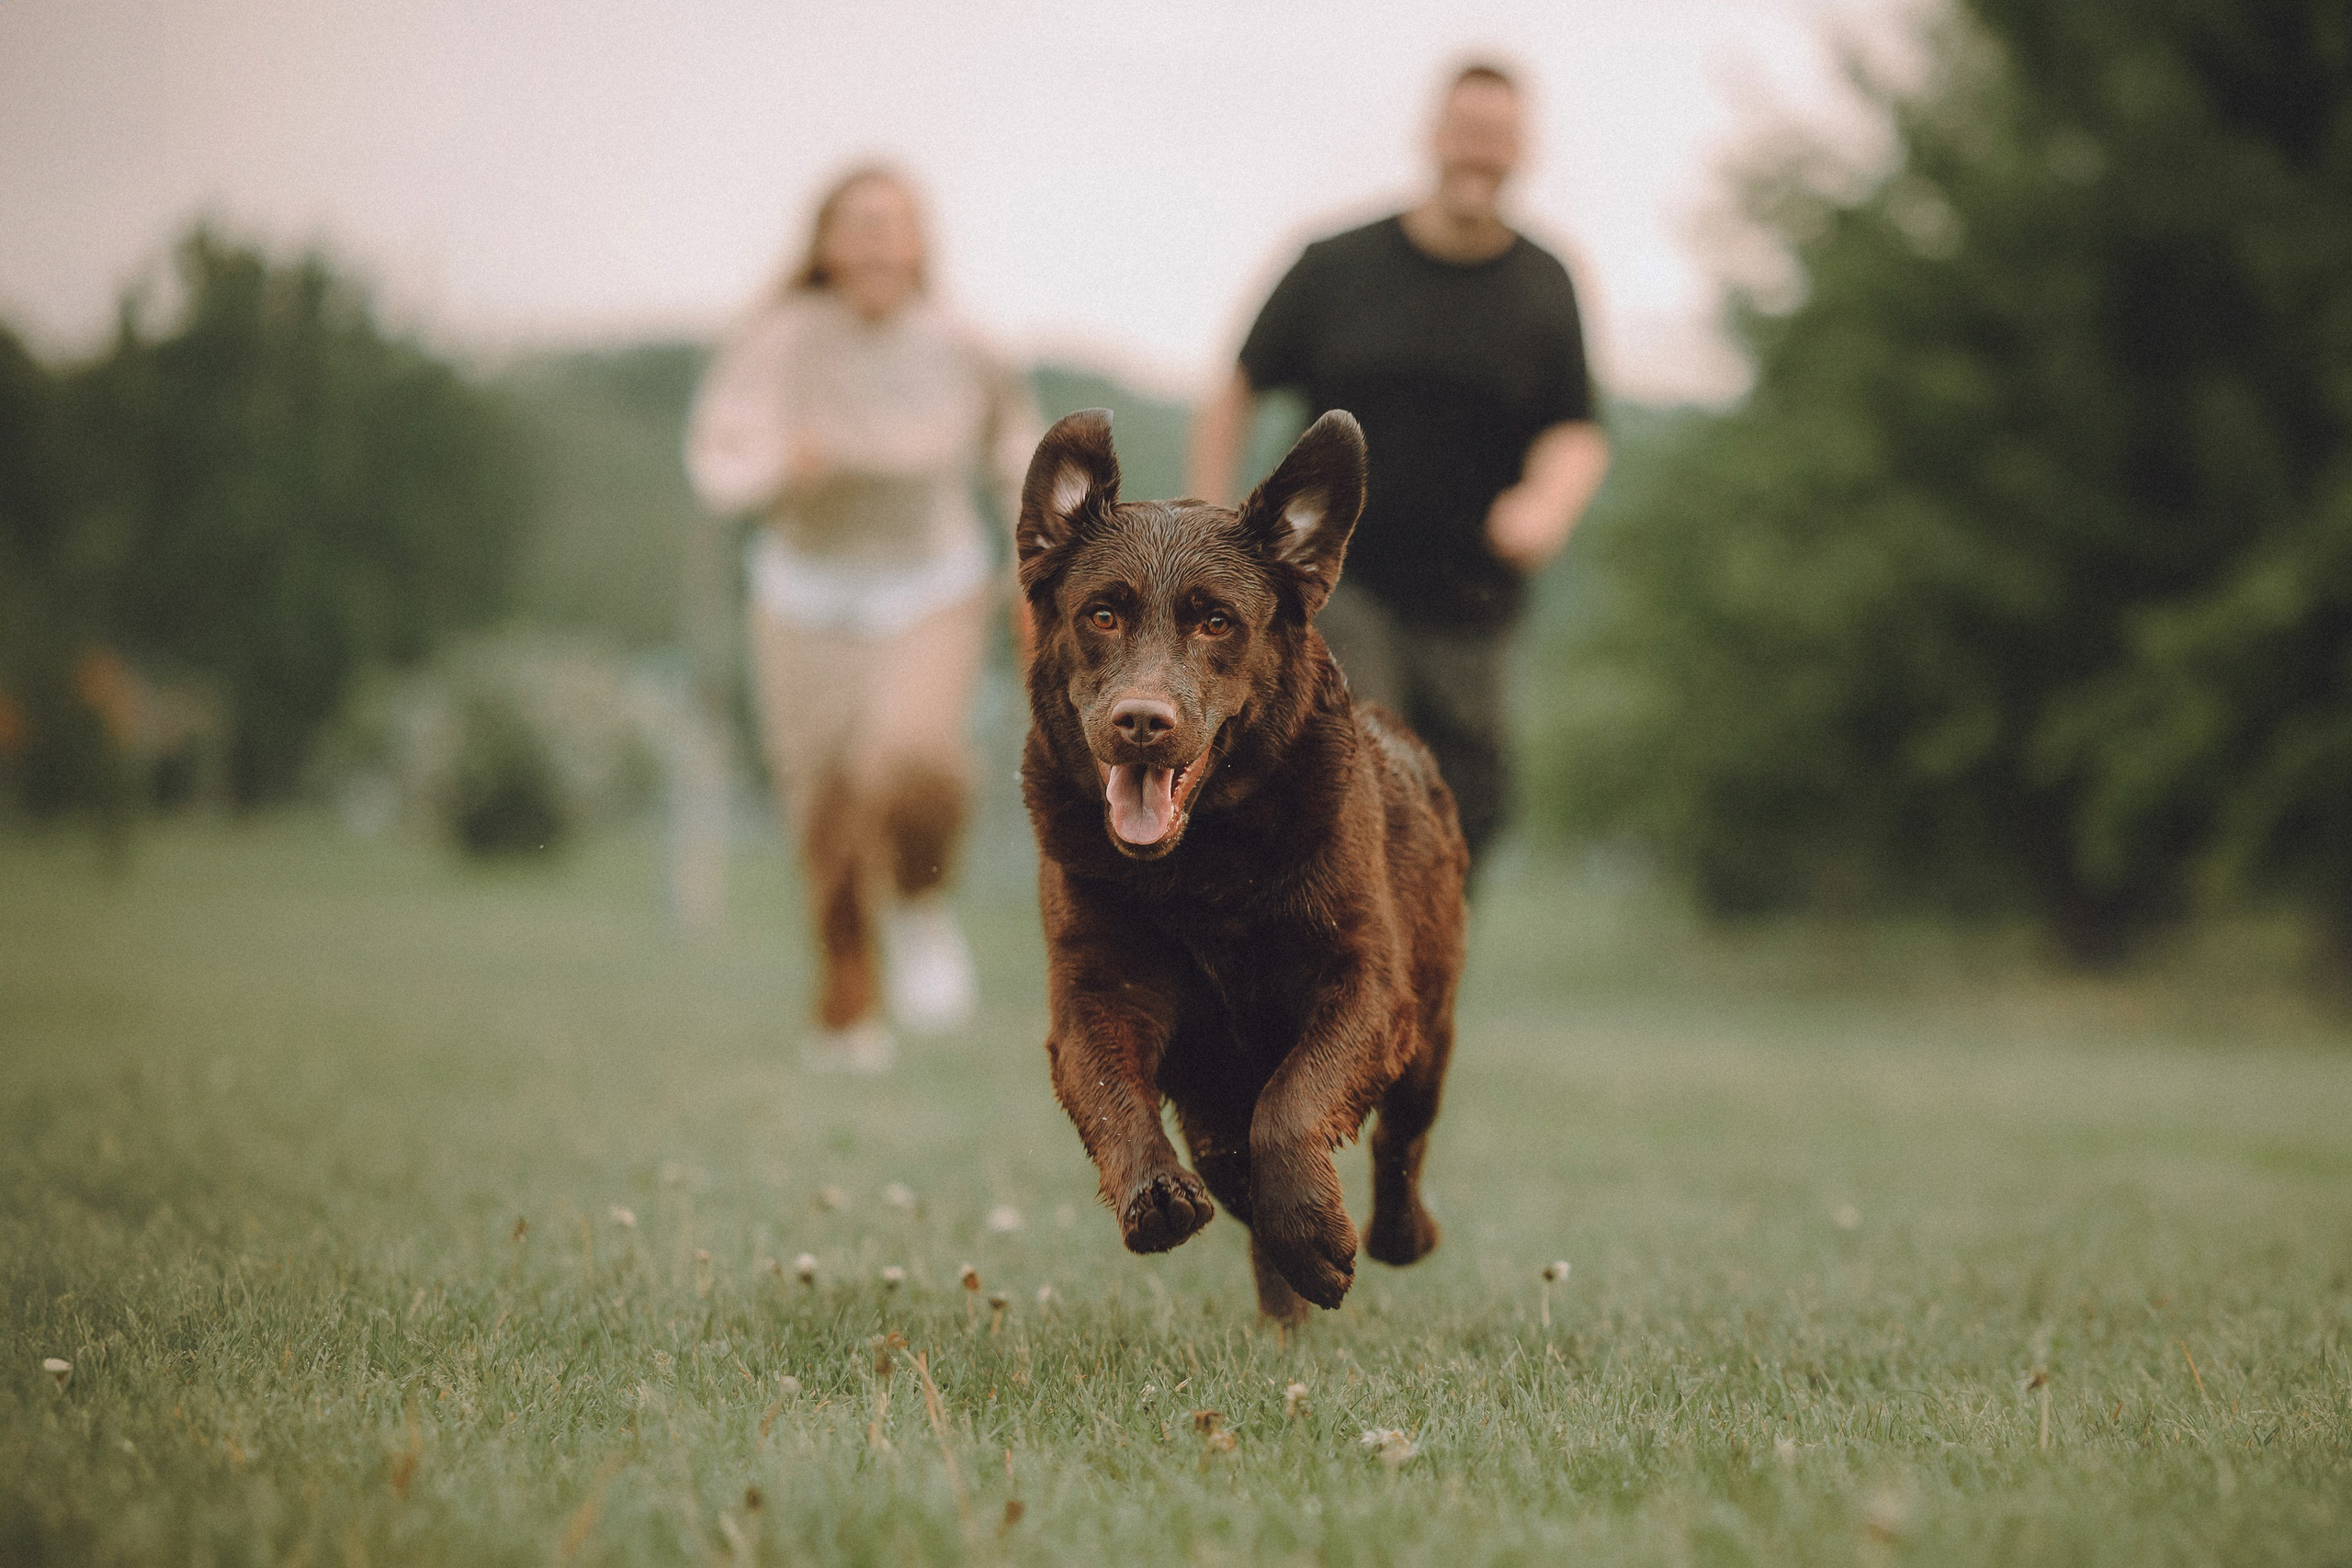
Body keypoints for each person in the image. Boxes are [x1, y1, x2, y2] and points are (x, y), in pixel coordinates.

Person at [1186, 62, 1611, 881]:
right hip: (1336, 575)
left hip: (1472, 592)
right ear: (1434, 136)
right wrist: (1211, 518)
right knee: (1363, 751)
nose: (1478, 153)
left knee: (1469, 797)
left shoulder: (1543, 285)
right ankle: (1340, 967)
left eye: (1498, 137)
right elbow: (1234, 388)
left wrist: (1546, 506)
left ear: (1522, 150)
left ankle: (1414, 969)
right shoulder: (1336, 265)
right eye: (1465, 131)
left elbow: (1576, 429)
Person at [685, 164, 1040, 1072]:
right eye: (858, 227)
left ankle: (921, 906)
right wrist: (777, 465)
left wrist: (1033, 563)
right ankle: (849, 1000)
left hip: (930, 583)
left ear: (919, 245)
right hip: (804, 594)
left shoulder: (962, 345)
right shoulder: (781, 339)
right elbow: (722, 454)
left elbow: (1017, 453)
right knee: (826, 811)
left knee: (913, 755)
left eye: (893, 226)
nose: (877, 244)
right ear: (827, 245)